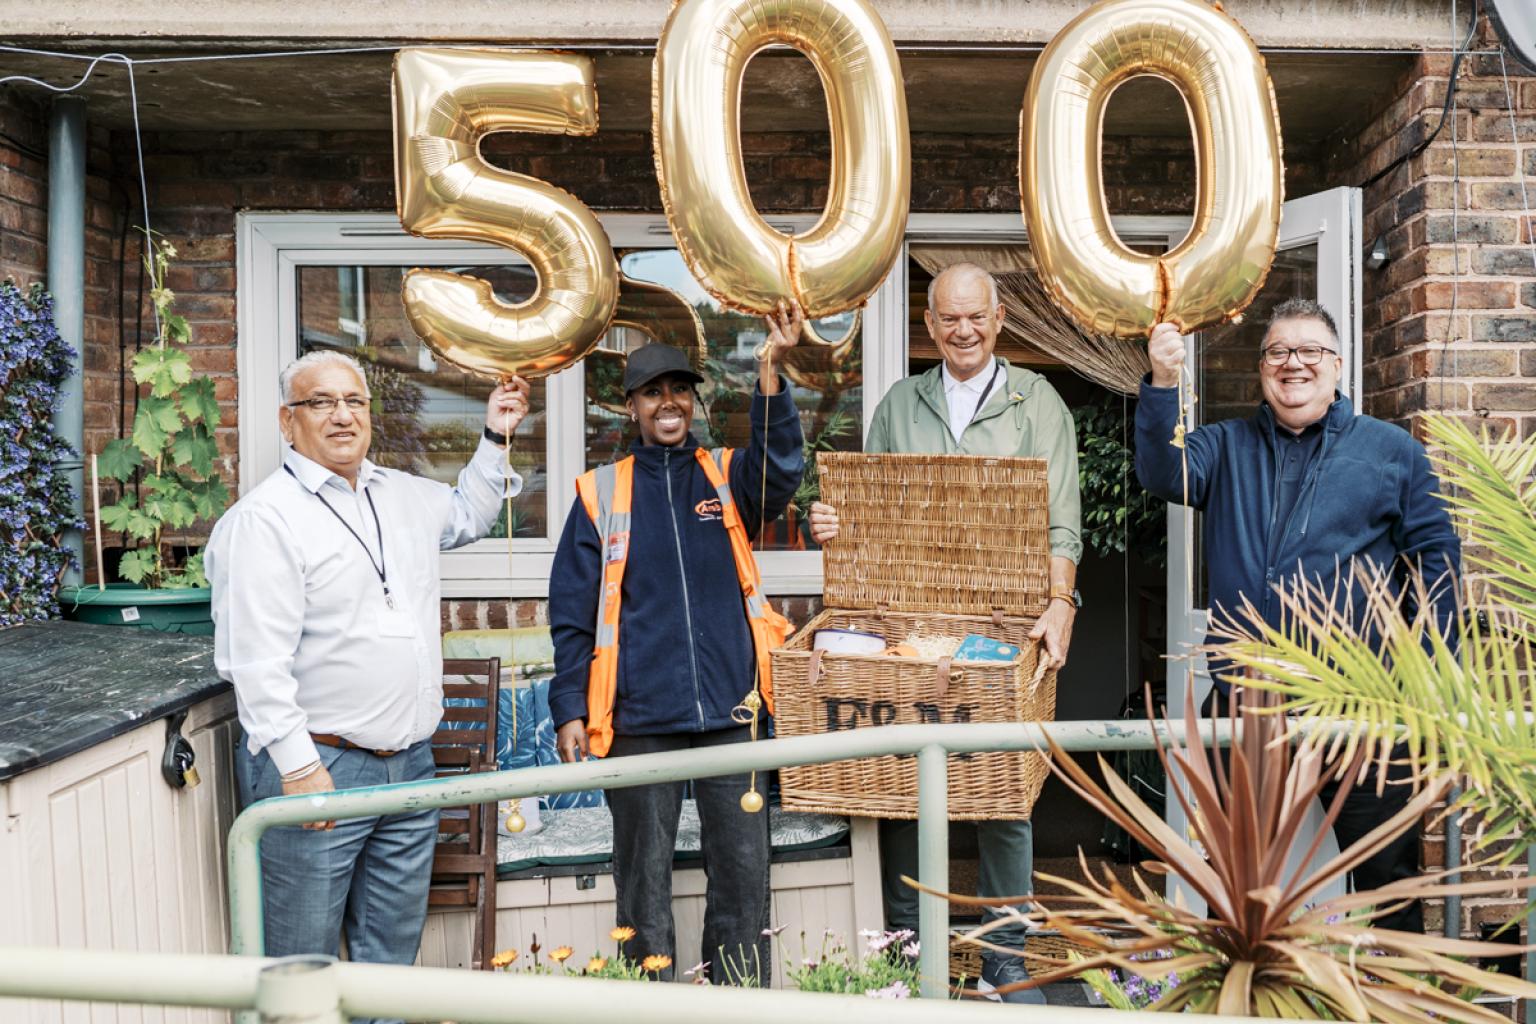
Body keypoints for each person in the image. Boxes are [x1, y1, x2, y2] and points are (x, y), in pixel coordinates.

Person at [208, 350, 529, 1001]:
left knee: (389, 967)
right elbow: (254, 659)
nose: (342, 415)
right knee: (301, 966)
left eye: (354, 401)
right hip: (318, 768)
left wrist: (496, 434)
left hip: (409, 767)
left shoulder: (403, 495)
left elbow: (471, 511)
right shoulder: (264, 521)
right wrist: (298, 766)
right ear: (287, 420)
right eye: (320, 402)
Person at [1134, 298, 1462, 932]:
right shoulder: (1224, 447)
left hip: (1362, 707)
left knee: (1386, 878)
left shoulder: (1391, 452)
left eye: (1310, 351)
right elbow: (1160, 471)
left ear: (1336, 366)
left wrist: (1427, 672)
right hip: (1244, 703)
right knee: (1235, 882)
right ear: (1262, 369)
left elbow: (1437, 561)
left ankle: (1394, 1002)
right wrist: (1163, 384)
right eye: (1279, 352)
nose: (1294, 364)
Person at [808, 263, 1083, 1003]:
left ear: (998, 322)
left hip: (1007, 619)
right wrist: (834, 524)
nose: (963, 330)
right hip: (916, 621)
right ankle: (906, 951)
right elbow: (868, 513)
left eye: (976, 318)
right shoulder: (902, 402)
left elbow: (1062, 518)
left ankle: (1004, 956)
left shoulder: (1039, 401)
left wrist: (1060, 603)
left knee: (1004, 789)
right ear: (930, 326)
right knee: (903, 782)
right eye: (948, 319)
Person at [549, 307, 806, 985]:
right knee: (641, 881)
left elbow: (780, 468)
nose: (670, 402)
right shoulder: (598, 493)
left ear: (694, 400)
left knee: (745, 878)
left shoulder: (724, 476)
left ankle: (741, 1000)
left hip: (731, 713)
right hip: (639, 721)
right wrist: (569, 706)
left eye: (680, 390)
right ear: (631, 406)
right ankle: (652, 1002)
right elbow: (573, 614)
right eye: (654, 392)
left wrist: (770, 376)